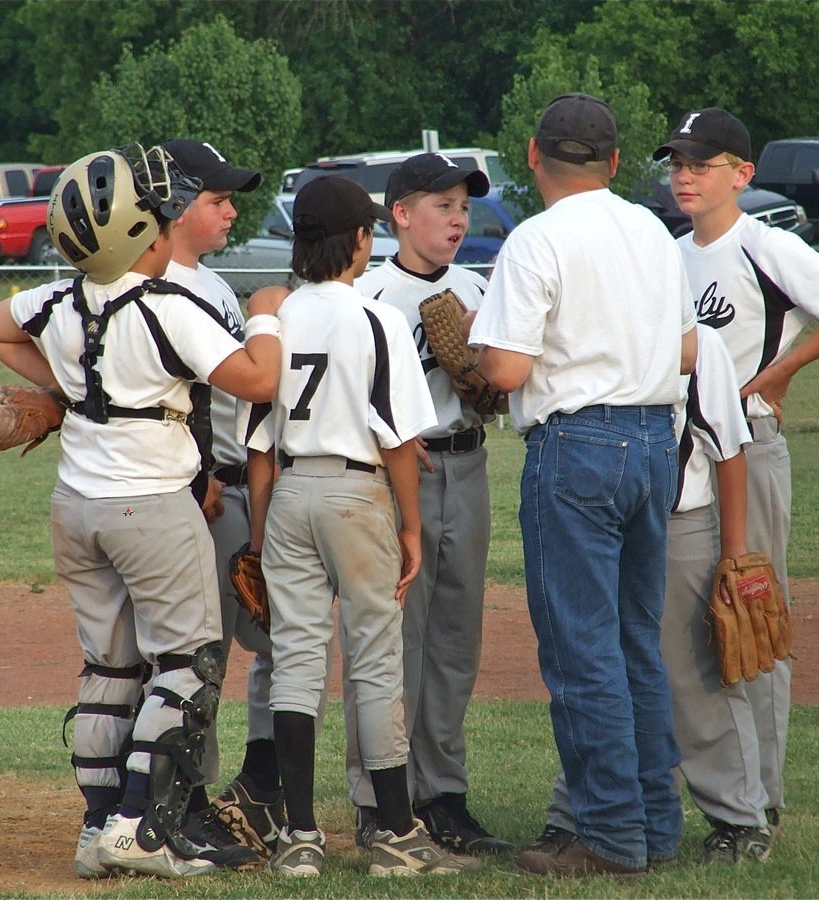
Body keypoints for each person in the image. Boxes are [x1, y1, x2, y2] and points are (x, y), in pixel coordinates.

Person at [0, 143, 283, 880]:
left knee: (110, 668)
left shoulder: (60, 298)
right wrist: (268, 313)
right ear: (143, 231)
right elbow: (258, 378)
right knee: (186, 662)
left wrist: (81, 387)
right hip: (149, 504)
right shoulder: (166, 307)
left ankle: (98, 826)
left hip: (76, 505)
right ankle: (144, 827)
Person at [468, 92, 699, 878]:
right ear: (615, 161)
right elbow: (686, 349)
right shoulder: (654, 232)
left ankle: (607, 836)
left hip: (576, 443)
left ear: (533, 156)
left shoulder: (535, 239)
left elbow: (507, 370)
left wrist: (469, 357)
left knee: (582, 650)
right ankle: (655, 828)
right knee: (636, 642)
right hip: (652, 439)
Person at [651, 106, 819, 859]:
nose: (686, 176)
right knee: (687, 625)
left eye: (703, 163)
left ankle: (763, 803)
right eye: (677, 163)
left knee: (746, 614)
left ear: (742, 174)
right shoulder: (667, 253)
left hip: (747, 445)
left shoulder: (764, 244)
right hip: (676, 452)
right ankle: (733, 794)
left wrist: (781, 370)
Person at [242, 175, 480, 878]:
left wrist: (260, 538)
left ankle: (300, 836)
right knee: (376, 662)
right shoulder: (372, 316)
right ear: (356, 241)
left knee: (297, 663)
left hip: (290, 493)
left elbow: (258, 447)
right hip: (355, 491)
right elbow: (400, 440)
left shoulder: (278, 318)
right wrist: (411, 527)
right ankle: (397, 837)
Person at [528, 325, 760, 864]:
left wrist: (734, 555)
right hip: (609, 517)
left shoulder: (699, 343)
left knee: (689, 674)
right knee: (602, 665)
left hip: (676, 523)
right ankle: (583, 814)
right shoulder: (587, 333)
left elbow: (728, 448)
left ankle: (739, 815)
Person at [345, 152, 513, 856]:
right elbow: (345, 392)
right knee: (392, 639)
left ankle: (444, 796)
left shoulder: (479, 287)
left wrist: (488, 386)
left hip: (465, 462)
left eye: (464, 207)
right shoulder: (370, 295)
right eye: (441, 205)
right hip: (395, 478)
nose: (457, 218)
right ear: (401, 215)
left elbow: (502, 390)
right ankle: (375, 798)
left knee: (454, 639)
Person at [159, 139, 298, 865]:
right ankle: (186, 798)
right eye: (217, 198)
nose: (231, 210)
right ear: (176, 205)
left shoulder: (211, 285)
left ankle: (262, 780)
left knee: (281, 639)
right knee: (199, 655)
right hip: (202, 501)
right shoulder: (151, 285)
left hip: (252, 491)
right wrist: (194, 481)